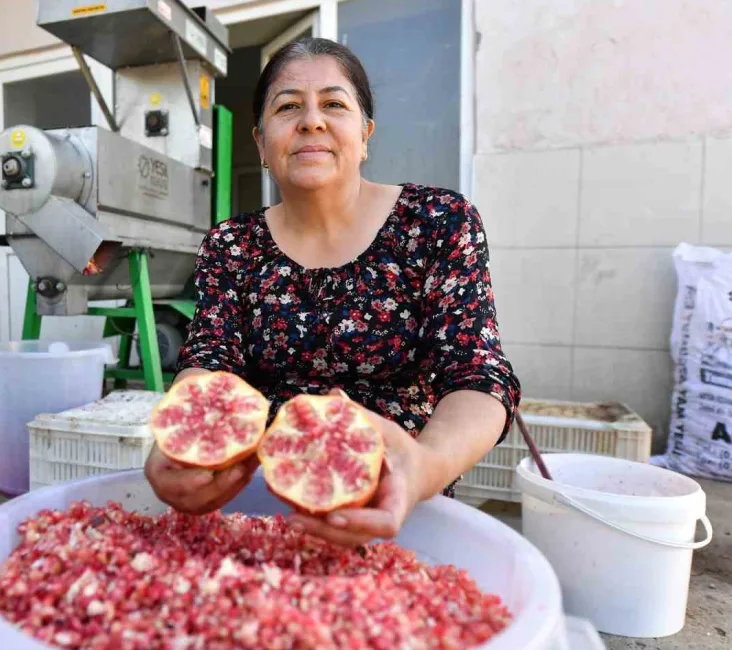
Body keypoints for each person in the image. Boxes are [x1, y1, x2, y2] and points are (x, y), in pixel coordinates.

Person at [144, 37, 521, 547]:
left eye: (334, 104)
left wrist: (425, 466)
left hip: (401, 506)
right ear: (260, 142)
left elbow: (478, 375)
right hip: (262, 506)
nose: (312, 121)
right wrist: (182, 437)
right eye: (288, 106)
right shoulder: (231, 246)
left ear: (365, 134)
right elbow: (210, 361)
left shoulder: (438, 223)